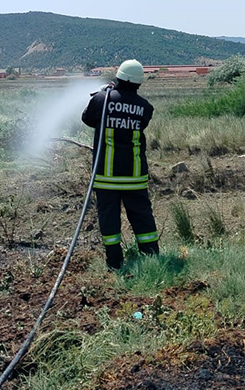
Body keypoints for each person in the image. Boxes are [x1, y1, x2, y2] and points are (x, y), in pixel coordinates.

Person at [82, 59, 159, 270]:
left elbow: (87, 119)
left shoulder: (101, 99)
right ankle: (152, 258)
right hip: (134, 177)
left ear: (119, 77)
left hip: (106, 177)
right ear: (139, 83)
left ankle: (114, 262)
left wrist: (103, 94)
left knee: (109, 219)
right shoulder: (145, 107)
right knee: (142, 217)